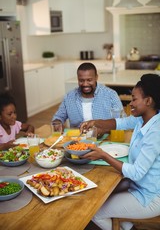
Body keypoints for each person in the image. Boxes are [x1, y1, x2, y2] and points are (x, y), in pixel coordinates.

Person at [80, 73, 160, 230]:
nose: (130, 104)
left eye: (134, 99)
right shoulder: (144, 118)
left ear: (148, 101)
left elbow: (137, 173)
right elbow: (120, 123)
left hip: (151, 196)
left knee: (95, 211)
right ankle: (128, 227)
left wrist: (103, 154)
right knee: (101, 194)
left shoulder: (156, 132)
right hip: (140, 185)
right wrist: (94, 122)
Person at [52, 62, 123, 131]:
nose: (85, 84)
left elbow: (121, 120)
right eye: (81, 80)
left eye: (89, 80)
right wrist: (58, 123)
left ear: (96, 77)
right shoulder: (69, 97)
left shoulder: (110, 95)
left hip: (106, 139)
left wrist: (105, 130)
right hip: (77, 140)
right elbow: (58, 117)